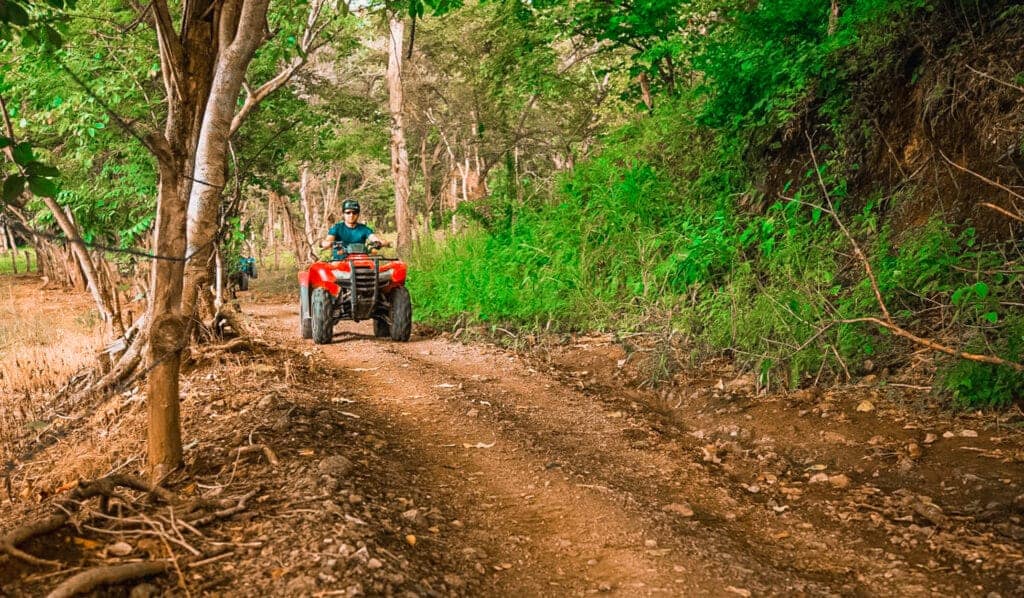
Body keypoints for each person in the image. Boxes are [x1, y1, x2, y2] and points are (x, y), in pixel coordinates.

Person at [321, 199, 391, 260]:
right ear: (343, 214)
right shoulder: (336, 228)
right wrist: (329, 243)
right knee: (330, 271)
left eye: (354, 212)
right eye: (348, 212)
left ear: (358, 214)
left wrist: (380, 243)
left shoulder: (364, 229)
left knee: (376, 270)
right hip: (340, 261)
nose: (351, 215)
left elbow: (374, 238)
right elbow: (327, 240)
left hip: (362, 261)